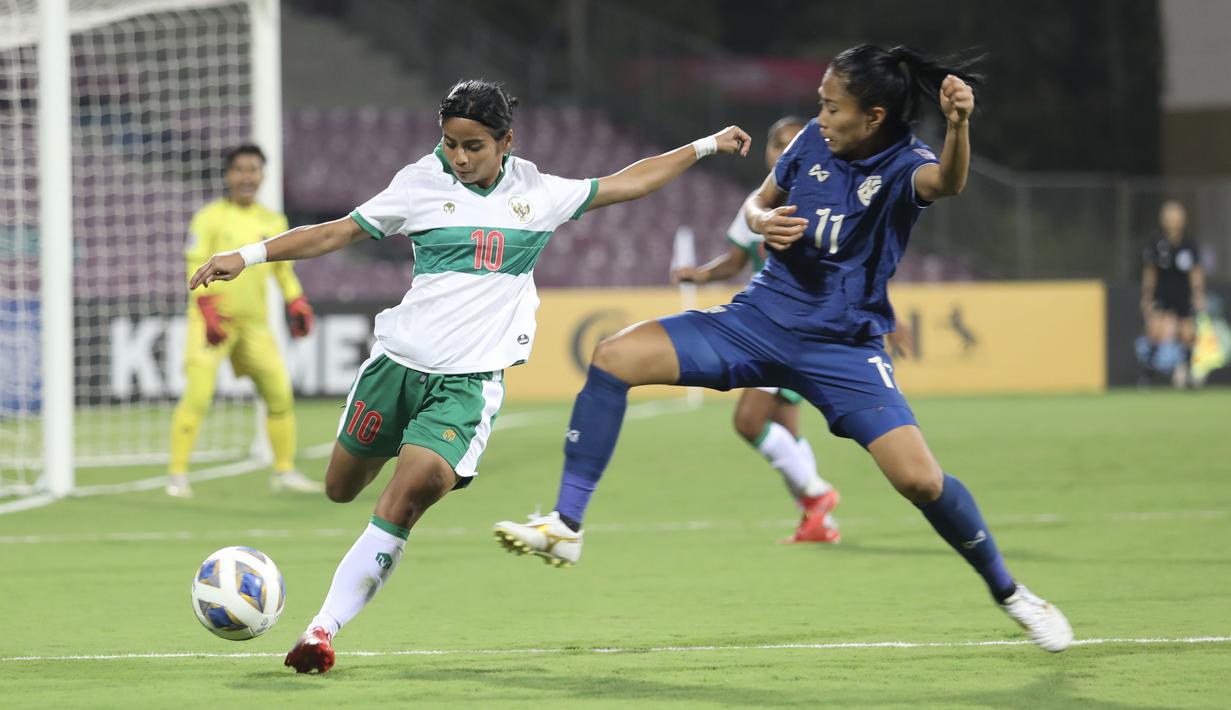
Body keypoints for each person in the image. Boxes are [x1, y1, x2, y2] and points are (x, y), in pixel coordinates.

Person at [494, 45, 1074, 653]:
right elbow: (758, 202)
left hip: (843, 346)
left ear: (873, 116)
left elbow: (949, 182)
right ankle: (565, 525)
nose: (819, 117)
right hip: (759, 319)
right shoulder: (810, 145)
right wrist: (760, 220)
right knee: (613, 356)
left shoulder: (907, 164)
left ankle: (1011, 593)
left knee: (922, 483)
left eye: (831, 107)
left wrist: (958, 126)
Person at [188, 79, 751, 673]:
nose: (459, 158)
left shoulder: (539, 193)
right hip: (396, 368)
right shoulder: (419, 183)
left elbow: (629, 182)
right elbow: (339, 231)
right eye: (451, 143)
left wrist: (706, 145)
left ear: (506, 141)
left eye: (474, 146)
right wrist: (248, 257)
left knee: (404, 498)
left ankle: (321, 631)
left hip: (466, 386)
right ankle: (344, 568)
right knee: (340, 487)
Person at [672, 116, 842, 544]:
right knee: (786, 427)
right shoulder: (758, 202)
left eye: (793, 144)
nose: (784, 152)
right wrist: (700, 275)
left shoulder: (820, 200)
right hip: (780, 325)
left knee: (749, 422)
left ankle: (818, 494)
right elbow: (734, 260)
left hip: (789, 325)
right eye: (777, 145)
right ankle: (819, 521)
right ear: (767, 152)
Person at [167, 144, 321, 498]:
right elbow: (194, 264)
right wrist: (205, 309)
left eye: (253, 169)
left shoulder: (273, 221)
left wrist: (296, 301)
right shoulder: (210, 218)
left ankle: (283, 470)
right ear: (228, 175)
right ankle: (177, 476)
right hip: (212, 322)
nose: (247, 177)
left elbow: (283, 272)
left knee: (279, 394)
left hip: (255, 326)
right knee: (198, 396)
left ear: (263, 175)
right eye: (240, 170)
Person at [1139, 200, 1206, 388]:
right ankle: (1147, 376)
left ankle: (1188, 374)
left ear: (1182, 220)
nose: (1172, 221)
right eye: (1169, 218)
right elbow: (1150, 273)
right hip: (1162, 292)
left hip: (1183, 293)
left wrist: (1198, 295)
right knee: (1154, 331)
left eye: (1176, 217)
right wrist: (1147, 296)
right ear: (1163, 220)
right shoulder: (1156, 243)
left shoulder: (1189, 244)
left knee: (1187, 334)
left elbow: (1196, 273)